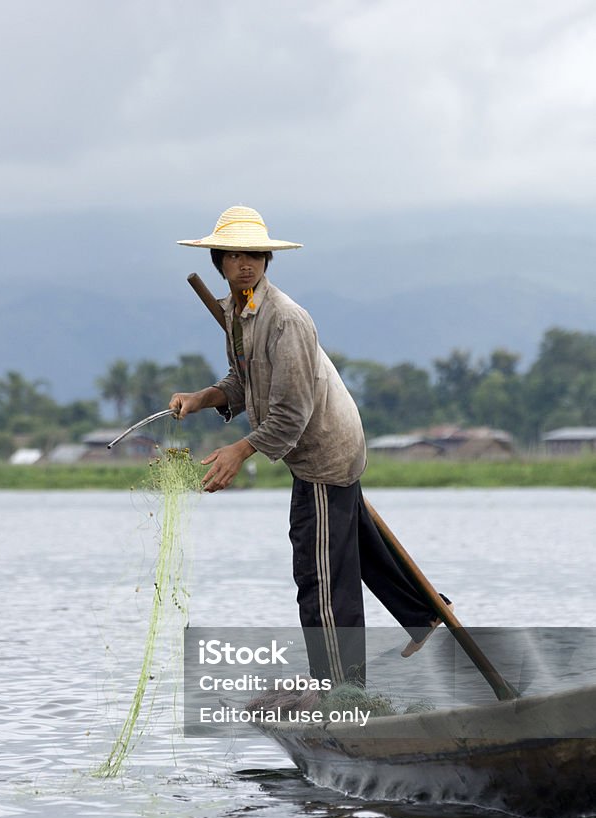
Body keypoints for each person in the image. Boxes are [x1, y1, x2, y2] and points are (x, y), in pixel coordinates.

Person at [171, 205, 448, 686]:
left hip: (322, 451)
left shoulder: (285, 319)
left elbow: (291, 414)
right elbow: (244, 382)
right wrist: (203, 398)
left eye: (253, 255)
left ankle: (341, 691)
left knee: (320, 575)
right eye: (234, 255)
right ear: (219, 260)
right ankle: (422, 611)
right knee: (349, 545)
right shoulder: (238, 312)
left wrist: (239, 451)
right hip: (315, 446)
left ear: (266, 261)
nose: (245, 264)